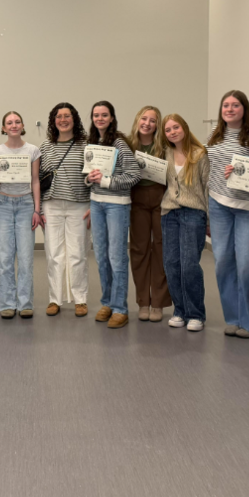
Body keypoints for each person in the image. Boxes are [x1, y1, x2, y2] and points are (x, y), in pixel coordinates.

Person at [207, 91, 249, 338]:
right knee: (223, 262)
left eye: (235, 105)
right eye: (226, 105)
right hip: (218, 204)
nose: (229, 109)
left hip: (248, 208)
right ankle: (234, 318)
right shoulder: (214, 135)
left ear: (245, 109)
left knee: (248, 265)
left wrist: (241, 168)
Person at [86, 101, 140, 329]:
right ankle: (107, 302)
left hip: (117, 205)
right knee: (101, 257)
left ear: (111, 118)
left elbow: (134, 174)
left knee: (116, 257)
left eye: (104, 115)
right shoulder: (91, 142)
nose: (100, 118)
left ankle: (120, 308)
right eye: (96, 115)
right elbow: (86, 174)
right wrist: (89, 179)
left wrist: (106, 181)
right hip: (96, 204)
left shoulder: (119, 142)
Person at [158, 114, 209, 331]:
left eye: (175, 127)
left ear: (184, 128)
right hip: (169, 213)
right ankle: (179, 310)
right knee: (171, 264)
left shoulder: (200, 154)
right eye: (168, 130)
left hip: (193, 213)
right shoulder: (165, 154)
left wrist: (209, 218)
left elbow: (207, 186)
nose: (172, 132)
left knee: (189, 265)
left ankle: (195, 313)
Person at [39, 103, 90, 317]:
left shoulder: (86, 145)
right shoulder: (45, 146)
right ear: (53, 121)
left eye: (67, 116)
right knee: (54, 254)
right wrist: (39, 207)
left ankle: (80, 300)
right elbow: (38, 180)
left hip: (80, 204)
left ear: (74, 119)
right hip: (51, 205)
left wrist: (94, 205)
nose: (63, 120)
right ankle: (55, 299)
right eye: (58, 116)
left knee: (78, 253)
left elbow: (95, 175)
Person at [0, 111, 41, 319]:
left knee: (26, 256)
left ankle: (25, 302)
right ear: (3, 127)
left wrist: (37, 209)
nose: (13, 125)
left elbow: (36, 180)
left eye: (17, 122)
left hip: (25, 204)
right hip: (3, 203)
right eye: (9, 122)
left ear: (22, 125)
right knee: (3, 256)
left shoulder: (32, 150)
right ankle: (6, 303)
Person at [127, 106, 170, 322]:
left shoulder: (165, 146)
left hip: (162, 197)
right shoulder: (127, 144)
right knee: (139, 249)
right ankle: (143, 301)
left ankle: (159, 303)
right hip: (137, 199)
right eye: (144, 118)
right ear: (137, 120)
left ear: (158, 125)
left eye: (153, 120)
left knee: (161, 248)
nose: (147, 123)